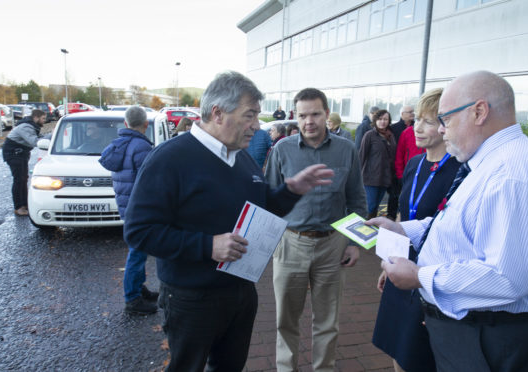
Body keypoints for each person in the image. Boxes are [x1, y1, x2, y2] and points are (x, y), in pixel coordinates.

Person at [123, 71, 334, 372]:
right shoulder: (169, 159)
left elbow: (261, 209)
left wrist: (291, 190)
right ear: (218, 113)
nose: (257, 126)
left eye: (257, 116)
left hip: (240, 292)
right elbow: (139, 232)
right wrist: (207, 245)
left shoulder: (243, 158)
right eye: (249, 116)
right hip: (191, 296)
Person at [370, 71, 528, 372]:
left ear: (479, 112)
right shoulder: (492, 162)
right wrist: (402, 228)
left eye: (445, 119)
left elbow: (507, 277)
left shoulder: (511, 173)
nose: (441, 130)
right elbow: (459, 224)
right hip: (481, 333)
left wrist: (420, 277)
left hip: (491, 340)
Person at [265, 88, 367, 372]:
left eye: (315, 114)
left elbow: (357, 199)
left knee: (327, 321)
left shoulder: (346, 149)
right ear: (295, 116)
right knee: (286, 319)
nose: (308, 121)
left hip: (332, 245)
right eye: (302, 115)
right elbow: (268, 199)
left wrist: (354, 243)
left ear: (326, 114)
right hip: (290, 244)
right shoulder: (282, 149)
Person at [372, 88, 460, 372]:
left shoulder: (462, 171)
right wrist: (390, 262)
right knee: (396, 347)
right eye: (417, 119)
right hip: (403, 268)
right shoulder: (414, 163)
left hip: (430, 276)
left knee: (419, 356)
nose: (417, 128)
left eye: (428, 121)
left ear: (447, 125)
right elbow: (401, 216)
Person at [99, 106, 158, 315]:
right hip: (139, 207)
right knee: (137, 252)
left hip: (126, 206)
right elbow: (150, 181)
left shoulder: (118, 145)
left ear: (125, 124)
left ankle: (138, 288)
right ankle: (133, 299)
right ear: (145, 125)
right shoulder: (141, 147)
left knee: (138, 249)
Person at [2, 109, 46, 216]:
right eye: (43, 118)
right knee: (19, 180)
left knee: (23, 179)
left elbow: (37, 138)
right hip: (14, 154)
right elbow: (35, 141)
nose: (45, 120)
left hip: (20, 154)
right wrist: (50, 140)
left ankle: (25, 204)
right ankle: (19, 207)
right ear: (36, 118)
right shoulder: (26, 127)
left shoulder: (32, 126)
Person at [359, 109, 396, 219]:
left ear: (389, 121)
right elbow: (361, 156)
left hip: (385, 178)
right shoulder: (369, 135)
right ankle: (364, 226)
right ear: (375, 120)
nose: (382, 122)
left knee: (376, 206)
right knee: (371, 206)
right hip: (371, 178)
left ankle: (371, 227)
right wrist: (356, 177)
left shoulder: (391, 136)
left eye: (385, 119)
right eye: (380, 119)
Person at [387, 105, 415, 220]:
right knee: (394, 195)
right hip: (398, 167)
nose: (412, 114)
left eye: (413, 112)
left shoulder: (416, 127)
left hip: (411, 168)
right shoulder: (394, 128)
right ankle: (391, 215)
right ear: (402, 114)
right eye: (409, 112)